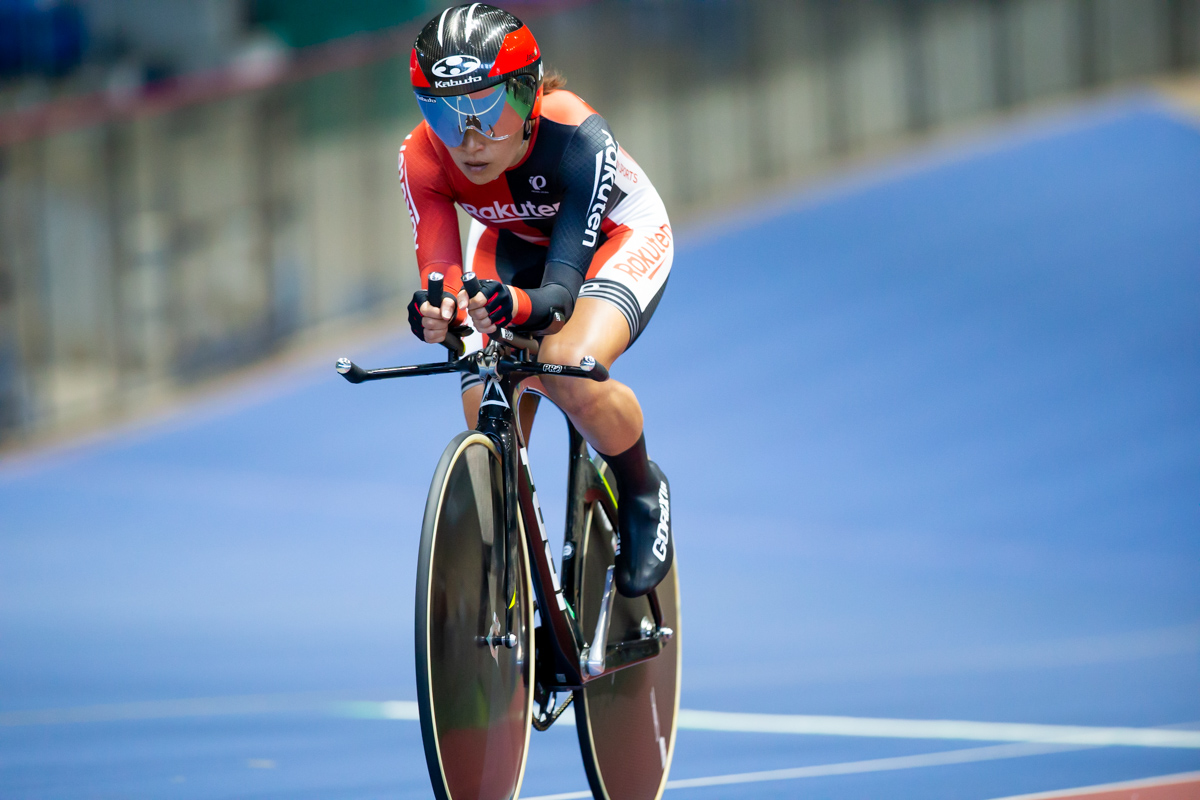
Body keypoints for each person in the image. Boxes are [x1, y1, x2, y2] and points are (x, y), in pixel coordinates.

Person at [401, 3, 673, 597]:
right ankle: (518, 570)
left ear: (526, 98)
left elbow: (555, 297)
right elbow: (442, 277)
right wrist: (436, 314)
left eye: (487, 111)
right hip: (513, 243)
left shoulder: (576, 136)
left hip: (611, 238)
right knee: (483, 399)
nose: (468, 141)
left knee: (567, 368)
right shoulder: (422, 155)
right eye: (444, 116)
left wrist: (514, 310)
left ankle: (642, 489)